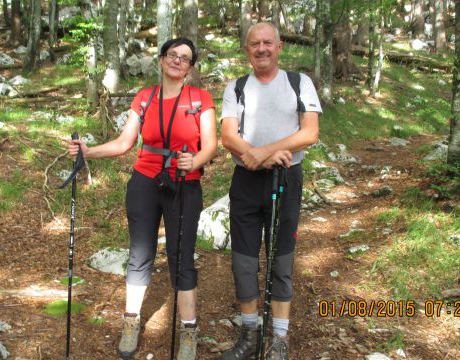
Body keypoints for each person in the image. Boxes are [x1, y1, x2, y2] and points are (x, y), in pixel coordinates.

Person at [67, 38, 217, 359]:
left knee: (181, 257)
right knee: (139, 253)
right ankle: (131, 321)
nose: (178, 61)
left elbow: (211, 145)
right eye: (172, 55)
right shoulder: (145, 97)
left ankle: (189, 331)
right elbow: (124, 143)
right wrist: (88, 152)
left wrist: (198, 160)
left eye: (185, 58)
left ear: (190, 68)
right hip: (145, 181)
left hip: (183, 183)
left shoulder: (200, 99)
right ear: (161, 60)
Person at [219, 23, 321, 360]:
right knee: (244, 261)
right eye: (254, 44)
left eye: (267, 43)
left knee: (281, 258)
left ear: (279, 47)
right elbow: (229, 136)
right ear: (246, 50)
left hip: (287, 178)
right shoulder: (236, 87)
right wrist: (260, 158)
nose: (261, 49)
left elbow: (309, 133)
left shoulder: (299, 83)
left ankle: (279, 338)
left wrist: (265, 152)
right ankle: (250, 333)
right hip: (246, 181)